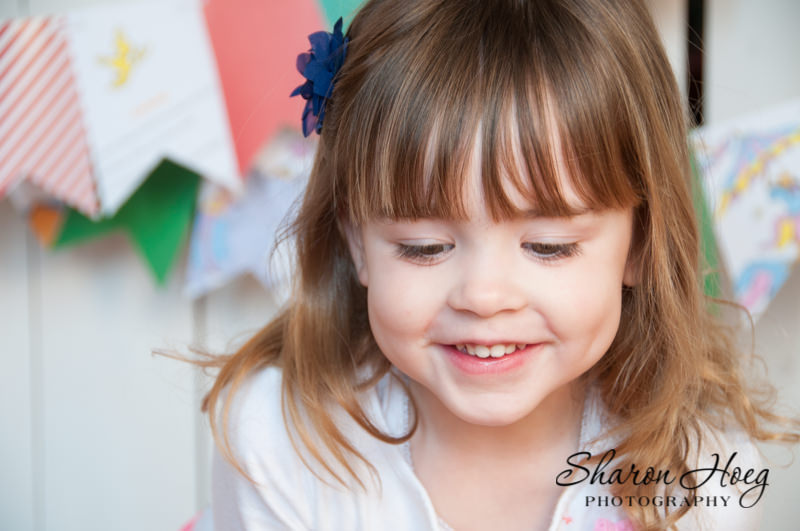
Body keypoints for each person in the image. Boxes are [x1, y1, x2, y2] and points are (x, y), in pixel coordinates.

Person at [199, 0, 799, 529]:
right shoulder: (281, 442)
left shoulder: (700, 481)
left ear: (641, 242)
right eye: (424, 247)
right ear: (357, 242)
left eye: (549, 246)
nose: (484, 297)